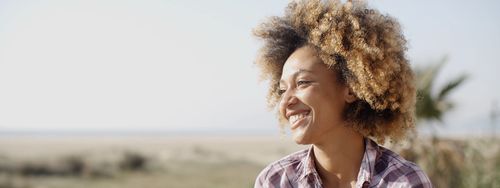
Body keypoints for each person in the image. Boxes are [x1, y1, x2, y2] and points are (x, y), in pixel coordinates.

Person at [252, 0, 432, 187]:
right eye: (282, 90)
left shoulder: (404, 182)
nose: (286, 102)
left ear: (352, 88)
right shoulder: (275, 181)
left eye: (302, 82)